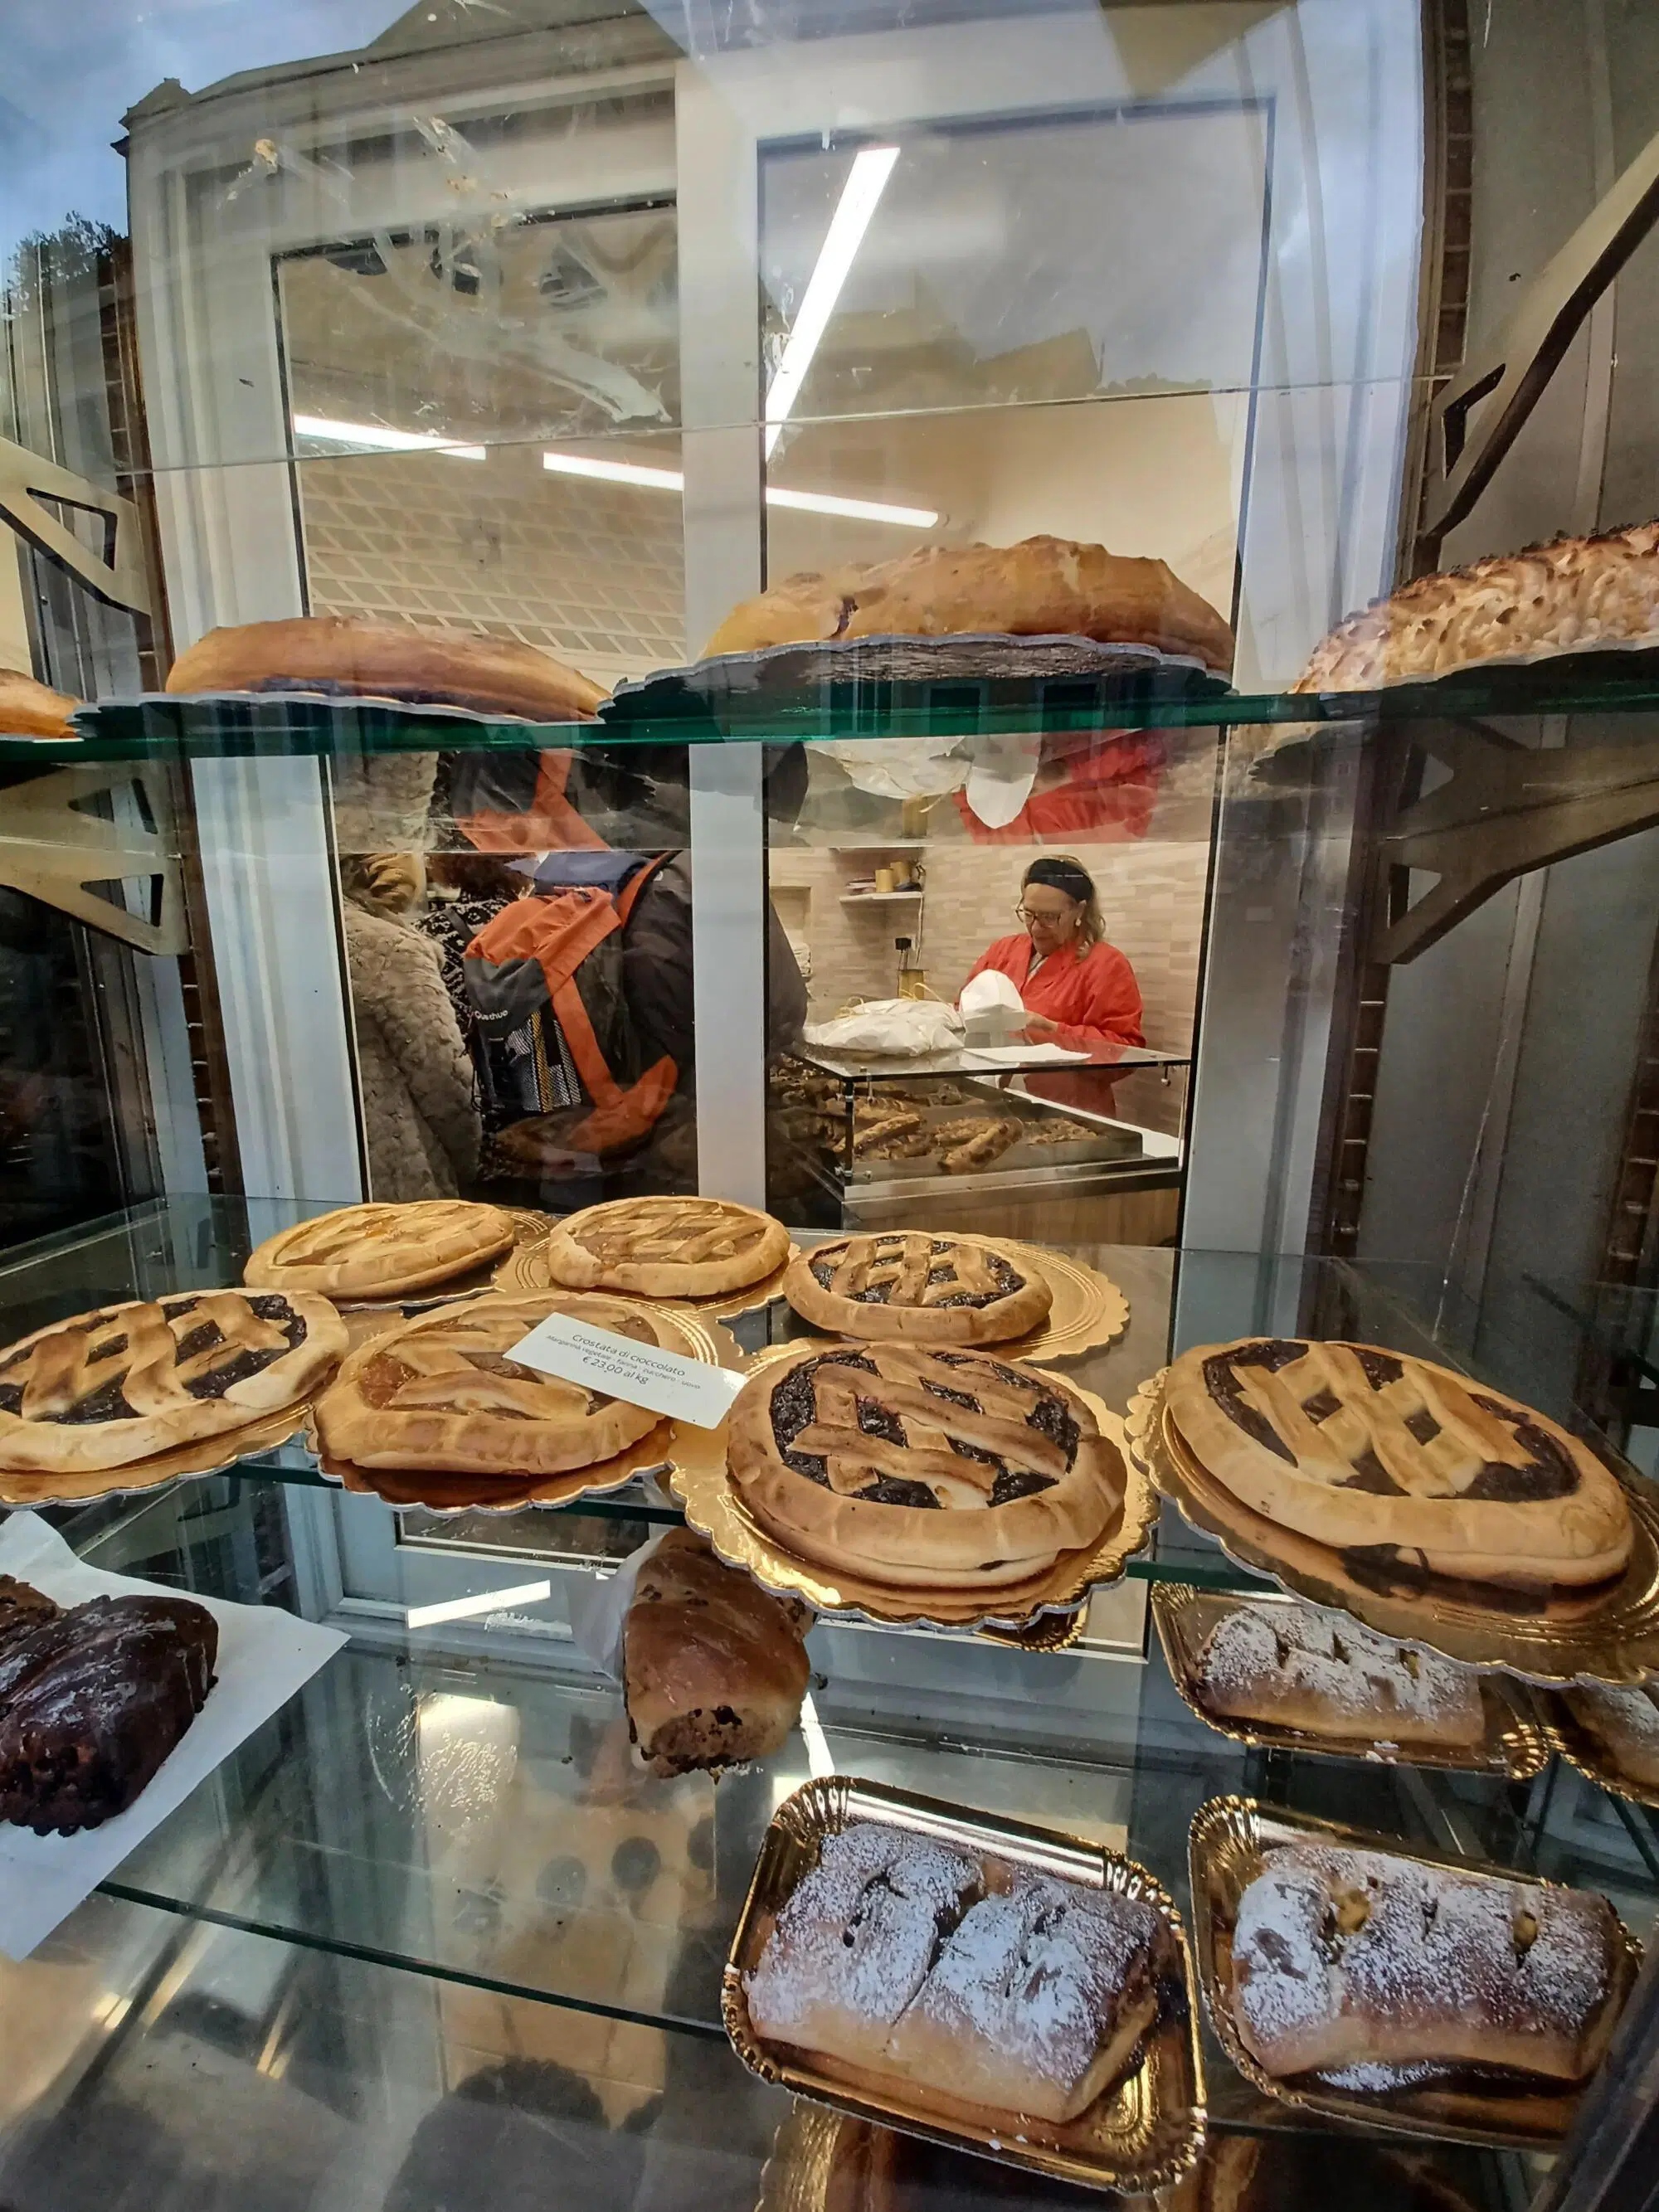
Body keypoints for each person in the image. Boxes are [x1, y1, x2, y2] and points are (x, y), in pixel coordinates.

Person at [962, 853, 1145, 1053]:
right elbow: (962, 1009)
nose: (1036, 928)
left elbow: (1126, 1050)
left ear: (1079, 911)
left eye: (1049, 917)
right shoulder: (1003, 950)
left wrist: (1053, 1030)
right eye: (1029, 914)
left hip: (1066, 1082)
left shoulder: (1106, 965)